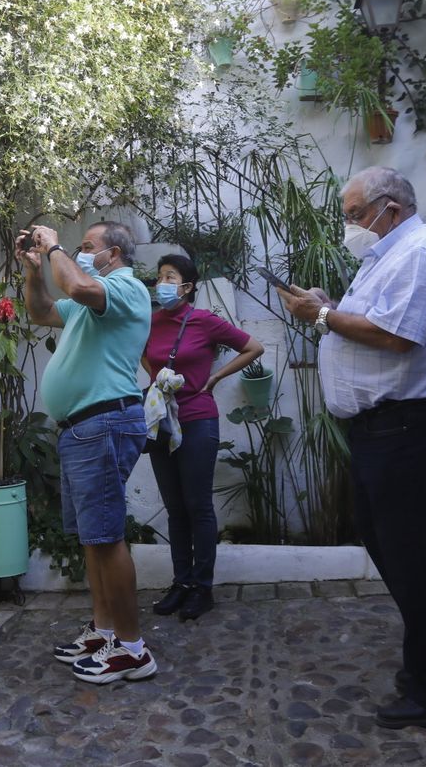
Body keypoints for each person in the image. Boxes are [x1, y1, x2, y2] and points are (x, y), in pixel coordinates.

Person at [277, 167, 426, 729]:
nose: (348, 225)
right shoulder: (385, 256)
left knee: (409, 556)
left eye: (353, 214)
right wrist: (327, 305)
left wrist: (321, 315)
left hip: (409, 426)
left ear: (389, 208)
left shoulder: (421, 252)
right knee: (393, 547)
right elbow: (371, 321)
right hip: (385, 428)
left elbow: (396, 337)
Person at [20, 220, 156, 684]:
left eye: (87, 246)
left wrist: (54, 247)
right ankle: (104, 631)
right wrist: (32, 267)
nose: (79, 253)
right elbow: (41, 312)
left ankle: (133, 650)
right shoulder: (89, 300)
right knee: (93, 538)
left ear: (113, 254)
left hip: (104, 422)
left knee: (106, 537)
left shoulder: (125, 287)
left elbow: (77, 285)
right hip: (83, 428)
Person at [142, 253, 265, 622]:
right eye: (159, 277)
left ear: (187, 286)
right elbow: (146, 358)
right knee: (175, 507)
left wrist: (214, 378)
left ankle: (202, 587)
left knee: (198, 505)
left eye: (170, 277)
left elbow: (253, 347)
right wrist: (159, 382)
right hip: (162, 423)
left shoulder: (204, 321)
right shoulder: (150, 322)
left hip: (197, 419)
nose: (162, 284)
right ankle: (181, 582)